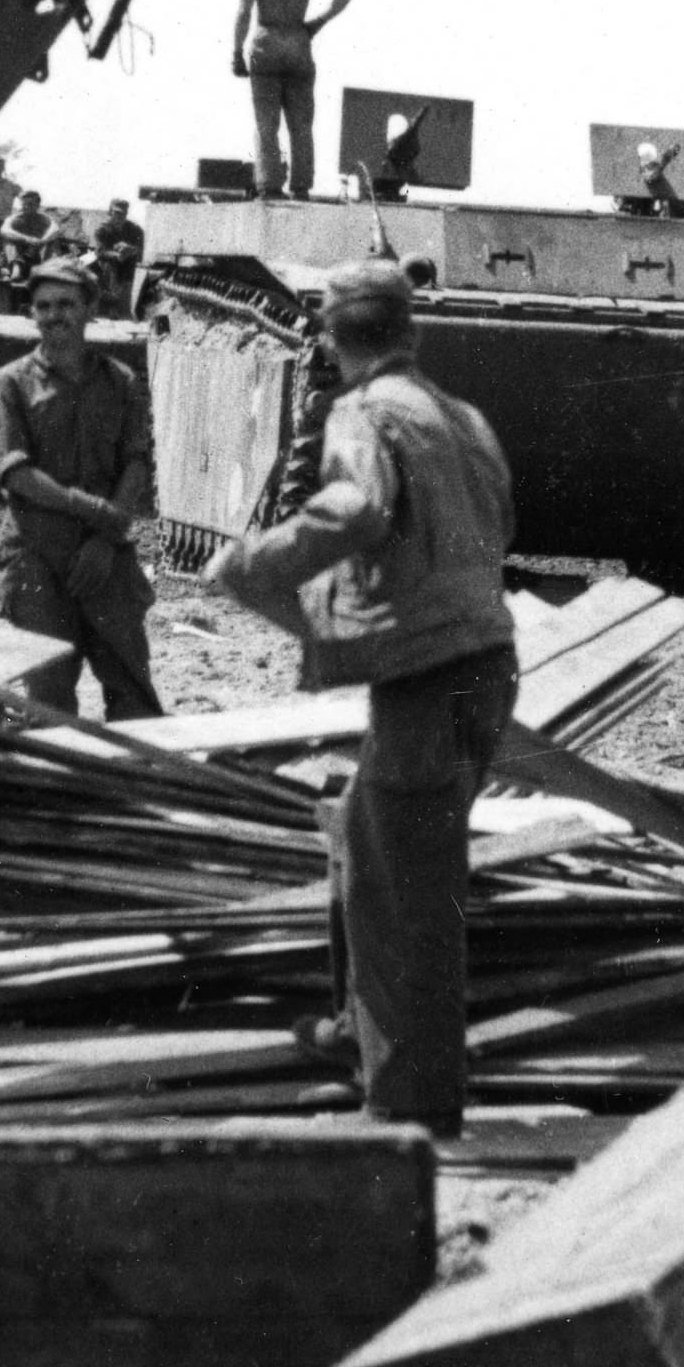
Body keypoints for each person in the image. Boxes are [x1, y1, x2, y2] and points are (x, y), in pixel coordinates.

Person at [201, 263, 513, 1134]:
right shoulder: (462, 416)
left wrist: (256, 565)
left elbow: (357, 505)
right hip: (487, 667)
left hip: (424, 681)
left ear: (334, 342)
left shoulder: (364, 411)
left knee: (405, 892)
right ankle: (355, 1033)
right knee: (359, 837)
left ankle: (409, 1105)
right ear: (408, 333)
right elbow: (498, 523)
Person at [0, 261, 160, 719]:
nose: (53, 315)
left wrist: (106, 538)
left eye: (66, 304)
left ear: (90, 310)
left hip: (107, 558)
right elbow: (15, 474)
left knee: (134, 694)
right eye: (43, 306)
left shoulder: (120, 382)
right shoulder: (10, 383)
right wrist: (91, 508)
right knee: (49, 704)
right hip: (36, 559)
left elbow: (136, 463)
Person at [233, 0, 355, 194]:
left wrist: (236, 52)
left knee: (267, 123)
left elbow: (243, 13)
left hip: (266, 43)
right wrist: (318, 22)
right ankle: (301, 185)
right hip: (299, 42)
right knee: (301, 124)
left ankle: (269, 184)